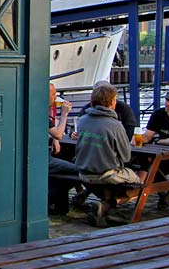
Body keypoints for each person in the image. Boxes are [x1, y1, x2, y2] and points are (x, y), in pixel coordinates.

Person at [75, 82, 144, 226]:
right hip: (107, 173)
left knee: (108, 171)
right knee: (143, 180)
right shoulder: (115, 125)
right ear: (112, 102)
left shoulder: (82, 121)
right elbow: (126, 157)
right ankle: (109, 206)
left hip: (83, 171)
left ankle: (107, 209)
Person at [47, 83, 78, 215]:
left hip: (43, 155)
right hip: (44, 159)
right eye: (53, 94)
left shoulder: (36, 108)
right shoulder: (41, 112)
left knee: (64, 164)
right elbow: (59, 133)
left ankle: (60, 206)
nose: (56, 97)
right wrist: (64, 114)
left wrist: (54, 140)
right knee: (80, 171)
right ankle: (49, 198)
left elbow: (52, 132)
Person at [73, 80, 139, 139]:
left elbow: (131, 128)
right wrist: (73, 134)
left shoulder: (122, 107)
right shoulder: (117, 125)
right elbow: (75, 129)